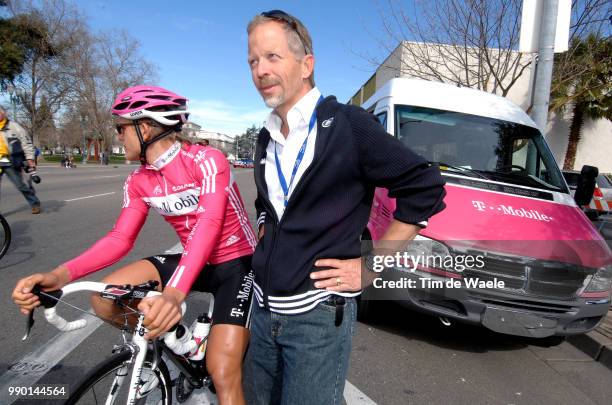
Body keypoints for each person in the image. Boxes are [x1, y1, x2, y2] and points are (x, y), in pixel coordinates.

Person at [245, 10, 446, 404]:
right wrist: (268, 227)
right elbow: (265, 201)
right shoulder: (266, 139)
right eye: (252, 61)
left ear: (306, 65)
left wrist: (372, 266)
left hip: (317, 318)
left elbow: (425, 187)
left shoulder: (349, 125)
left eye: (272, 57)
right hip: (263, 310)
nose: (260, 70)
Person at [12, 85, 257, 404]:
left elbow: (209, 224)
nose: (117, 136)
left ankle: (196, 347)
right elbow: (120, 238)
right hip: (194, 262)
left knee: (223, 374)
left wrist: (173, 295)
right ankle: (181, 341)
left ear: (143, 127)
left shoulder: (207, 160)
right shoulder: (139, 180)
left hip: (237, 265)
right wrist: (59, 276)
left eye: (120, 128)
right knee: (104, 298)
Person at [0, 105, 42, 214]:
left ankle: (35, 203)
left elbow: (26, 143)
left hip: (11, 162)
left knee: (20, 185)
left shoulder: (14, 127)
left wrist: (30, 160)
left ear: (3, 113)